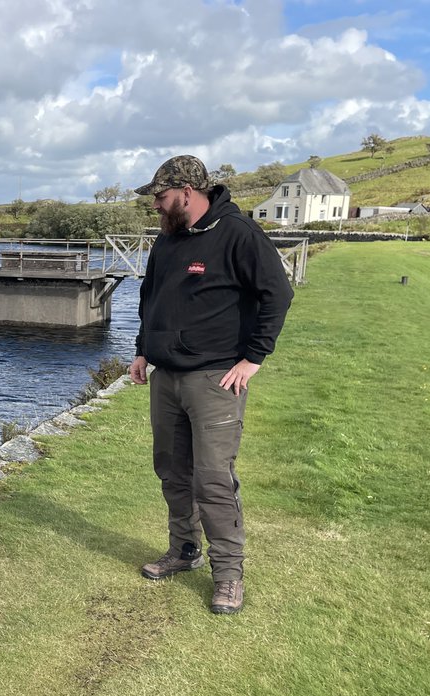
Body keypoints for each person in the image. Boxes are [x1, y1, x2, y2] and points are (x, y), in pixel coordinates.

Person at [129, 155, 292, 615]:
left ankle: (228, 575)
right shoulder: (167, 240)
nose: (156, 207)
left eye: (160, 198)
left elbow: (277, 294)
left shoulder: (239, 234)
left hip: (216, 379)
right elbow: (151, 299)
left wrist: (253, 358)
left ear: (186, 191)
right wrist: (143, 349)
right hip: (166, 377)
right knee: (171, 471)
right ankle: (184, 551)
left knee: (214, 480)